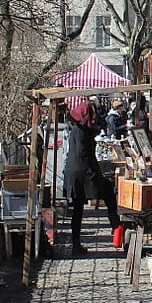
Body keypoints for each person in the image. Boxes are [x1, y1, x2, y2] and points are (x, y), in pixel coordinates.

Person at [63, 99, 120, 256]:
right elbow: (83, 153)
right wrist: (93, 173)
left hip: (78, 171)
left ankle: (77, 243)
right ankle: (116, 227)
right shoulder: (79, 130)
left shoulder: (80, 128)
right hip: (81, 172)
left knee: (79, 208)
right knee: (107, 190)